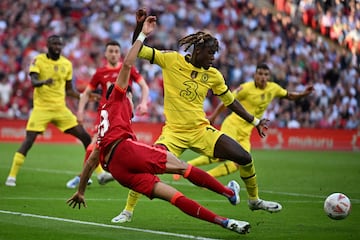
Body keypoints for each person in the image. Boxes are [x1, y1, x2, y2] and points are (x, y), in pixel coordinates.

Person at [66, 16, 251, 235]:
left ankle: (226, 222)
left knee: (173, 196)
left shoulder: (103, 116)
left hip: (117, 169)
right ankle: (228, 194)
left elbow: (90, 163)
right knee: (184, 167)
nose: (132, 101)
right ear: (123, 94)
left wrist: (81, 191)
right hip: (126, 150)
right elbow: (127, 63)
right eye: (131, 97)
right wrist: (143, 33)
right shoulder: (118, 96)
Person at [111, 9, 277, 224]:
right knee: (145, 167)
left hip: (201, 131)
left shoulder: (214, 75)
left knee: (245, 157)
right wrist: (140, 27)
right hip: (174, 134)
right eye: (210, 53)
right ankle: (128, 211)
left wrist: (255, 121)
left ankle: (254, 200)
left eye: (214, 54)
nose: (213, 58)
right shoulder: (170, 60)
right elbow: (138, 50)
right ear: (198, 50)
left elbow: (230, 102)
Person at [177, 63, 314, 207]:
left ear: (269, 77)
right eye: (260, 74)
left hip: (246, 132)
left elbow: (289, 95)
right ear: (255, 75)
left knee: (241, 162)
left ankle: (205, 178)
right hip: (233, 125)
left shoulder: (273, 88)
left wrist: (303, 94)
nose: (263, 77)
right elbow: (226, 100)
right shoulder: (245, 88)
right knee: (222, 155)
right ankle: (194, 170)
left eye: (266, 75)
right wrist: (214, 116)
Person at [5, 35, 95, 187]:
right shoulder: (38, 60)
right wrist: (43, 82)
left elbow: (69, 90)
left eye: (60, 44)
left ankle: (97, 173)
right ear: (48, 45)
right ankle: (12, 176)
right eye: (54, 44)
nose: (57, 47)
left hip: (60, 109)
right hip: (42, 108)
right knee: (29, 140)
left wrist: (83, 96)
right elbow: (33, 81)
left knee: (86, 137)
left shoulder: (66, 64)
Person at [66, 40, 149, 189]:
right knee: (94, 146)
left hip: (123, 115)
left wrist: (143, 103)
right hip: (105, 115)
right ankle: (88, 176)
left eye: (116, 51)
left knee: (115, 148)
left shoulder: (128, 69)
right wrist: (80, 111)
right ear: (105, 53)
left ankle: (95, 175)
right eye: (110, 51)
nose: (113, 54)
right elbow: (86, 93)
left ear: (120, 53)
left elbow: (144, 85)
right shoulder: (100, 73)